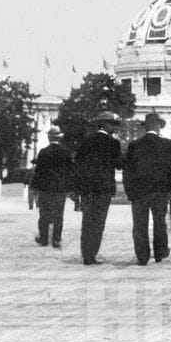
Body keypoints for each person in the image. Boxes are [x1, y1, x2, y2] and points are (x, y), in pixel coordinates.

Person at [123, 112, 171, 266]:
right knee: (160, 222)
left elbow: (127, 171)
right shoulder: (168, 144)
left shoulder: (134, 145)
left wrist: (129, 191)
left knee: (139, 225)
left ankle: (142, 256)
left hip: (138, 192)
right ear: (157, 126)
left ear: (146, 127)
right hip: (160, 191)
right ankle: (160, 252)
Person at [75, 112, 123, 265]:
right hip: (103, 189)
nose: (114, 127)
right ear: (105, 125)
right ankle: (92, 254)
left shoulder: (85, 141)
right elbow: (119, 164)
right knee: (99, 222)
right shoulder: (113, 143)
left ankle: (87, 255)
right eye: (112, 124)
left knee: (87, 221)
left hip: (87, 188)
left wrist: (78, 188)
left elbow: (78, 165)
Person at [32, 127, 76, 248]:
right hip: (59, 189)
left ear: (48, 137)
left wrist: (35, 187)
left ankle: (44, 238)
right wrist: (70, 187)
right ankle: (56, 239)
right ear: (60, 138)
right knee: (58, 214)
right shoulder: (65, 153)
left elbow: (38, 172)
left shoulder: (43, 152)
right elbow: (70, 172)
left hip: (45, 188)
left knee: (44, 214)